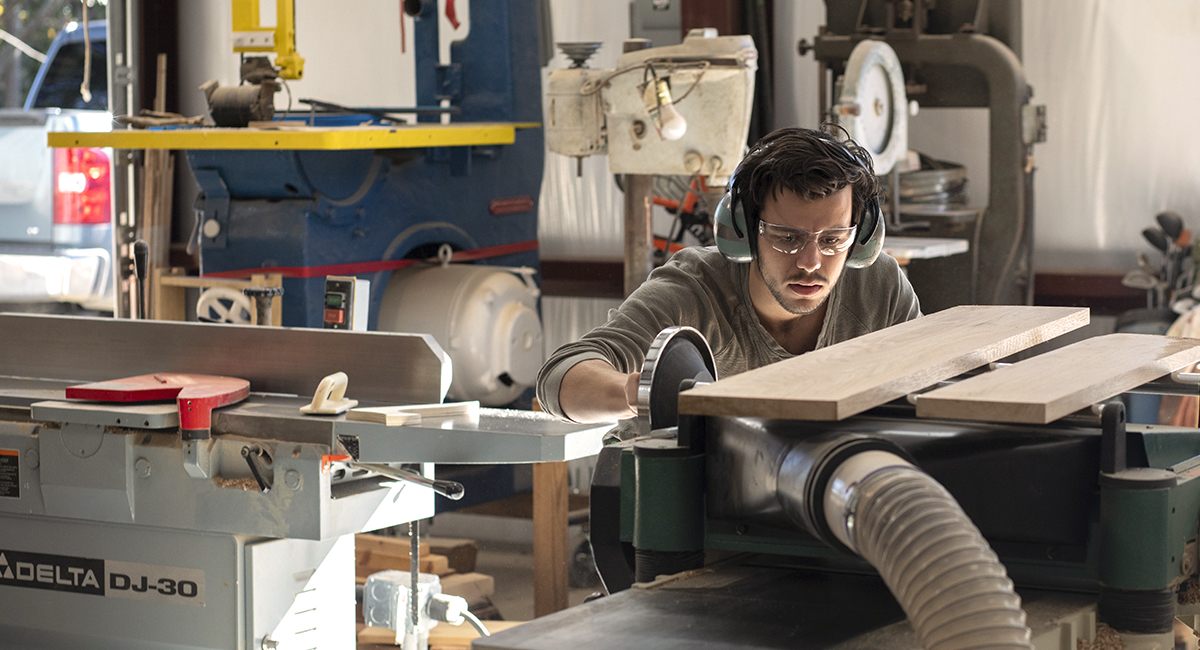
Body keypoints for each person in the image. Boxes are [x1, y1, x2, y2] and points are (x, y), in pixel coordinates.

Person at [536, 126, 921, 428]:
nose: (810, 261)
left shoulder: (878, 289)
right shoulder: (692, 293)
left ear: (863, 236)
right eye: (788, 238)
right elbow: (558, 379)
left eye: (833, 240)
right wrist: (637, 392)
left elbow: (933, 382)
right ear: (744, 231)